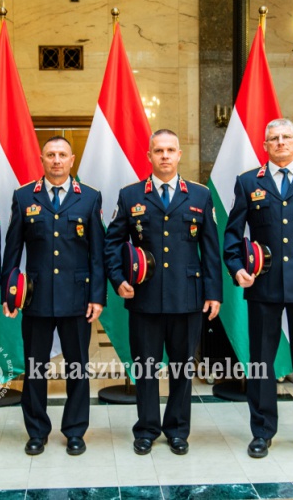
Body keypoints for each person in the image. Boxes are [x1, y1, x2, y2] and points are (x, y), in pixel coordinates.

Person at [223, 118, 293, 459]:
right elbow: (233, 234)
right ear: (265, 145)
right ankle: (262, 432)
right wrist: (237, 268)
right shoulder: (249, 182)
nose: (280, 142)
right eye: (273, 138)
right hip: (264, 285)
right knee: (261, 362)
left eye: (287, 137)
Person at [104, 129, 222, 456]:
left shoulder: (199, 195)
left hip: (188, 297)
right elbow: (112, 244)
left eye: (171, 150)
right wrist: (118, 279)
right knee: (145, 369)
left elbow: (211, 250)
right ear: (149, 156)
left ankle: (177, 430)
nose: (165, 156)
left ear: (179, 155)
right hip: (145, 299)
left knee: (182, 369)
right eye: (159, 150)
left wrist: (213, 293)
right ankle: (146, 429)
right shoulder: (130, 195)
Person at [1, 136, 106, 456]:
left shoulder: (89, 197)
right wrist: (9, 293)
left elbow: (97, 254)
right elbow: (12, 250)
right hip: (36, 298)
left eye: (62, 155)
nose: (56, 160)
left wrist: (97, 296)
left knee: (77, 368)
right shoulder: (24, 196)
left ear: (72, 160)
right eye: (50, 154)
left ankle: (75, 431)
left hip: (77, 298)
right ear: (42, 159)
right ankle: (36, 431)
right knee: (35, 368)